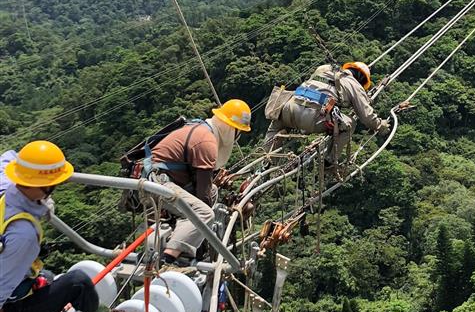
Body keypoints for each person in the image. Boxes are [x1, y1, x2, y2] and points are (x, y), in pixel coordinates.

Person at [0, 140, 99, 312]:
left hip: (15, 276)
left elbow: (10, 156)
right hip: (13, 311)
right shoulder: (24, 233)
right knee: (78, 282)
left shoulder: (5, 183)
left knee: (49, 276)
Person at [147, 99, 252, 265]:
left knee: (213, 192)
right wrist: (206, 224)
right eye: (237, 131)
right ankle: (170, 258)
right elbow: (203, 194)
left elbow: (208, 189)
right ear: (229, 128)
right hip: (158, 183)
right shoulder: (207, 142)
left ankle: (185, 234)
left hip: (160, 178)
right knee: (204, 213)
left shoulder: (202, 128)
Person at [263, 61, 390, 166]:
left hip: (289, 109)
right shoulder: (355, 85)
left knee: (274, 128)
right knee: (350, 124)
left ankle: (266, 162)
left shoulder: (323, 68)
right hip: (314, 118)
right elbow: (366, 116)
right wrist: (380, 125)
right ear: (361, 79)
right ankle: (329, 162)